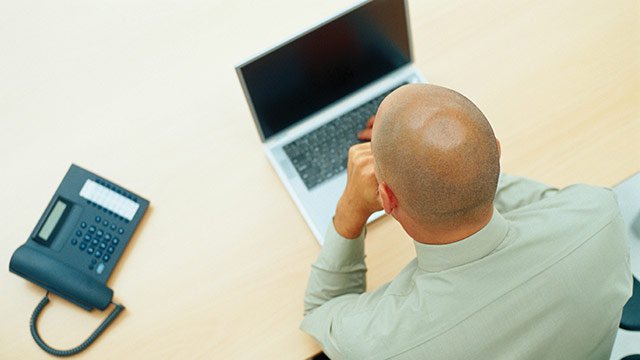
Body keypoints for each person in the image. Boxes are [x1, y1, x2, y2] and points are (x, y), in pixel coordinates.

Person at [300, 84, 632, 359]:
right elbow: (547, 205)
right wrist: (449, 157)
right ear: (498, 153)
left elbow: (322, 310)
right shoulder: (599, 214)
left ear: (387, 200)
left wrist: (351, 208)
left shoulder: (384, 346)